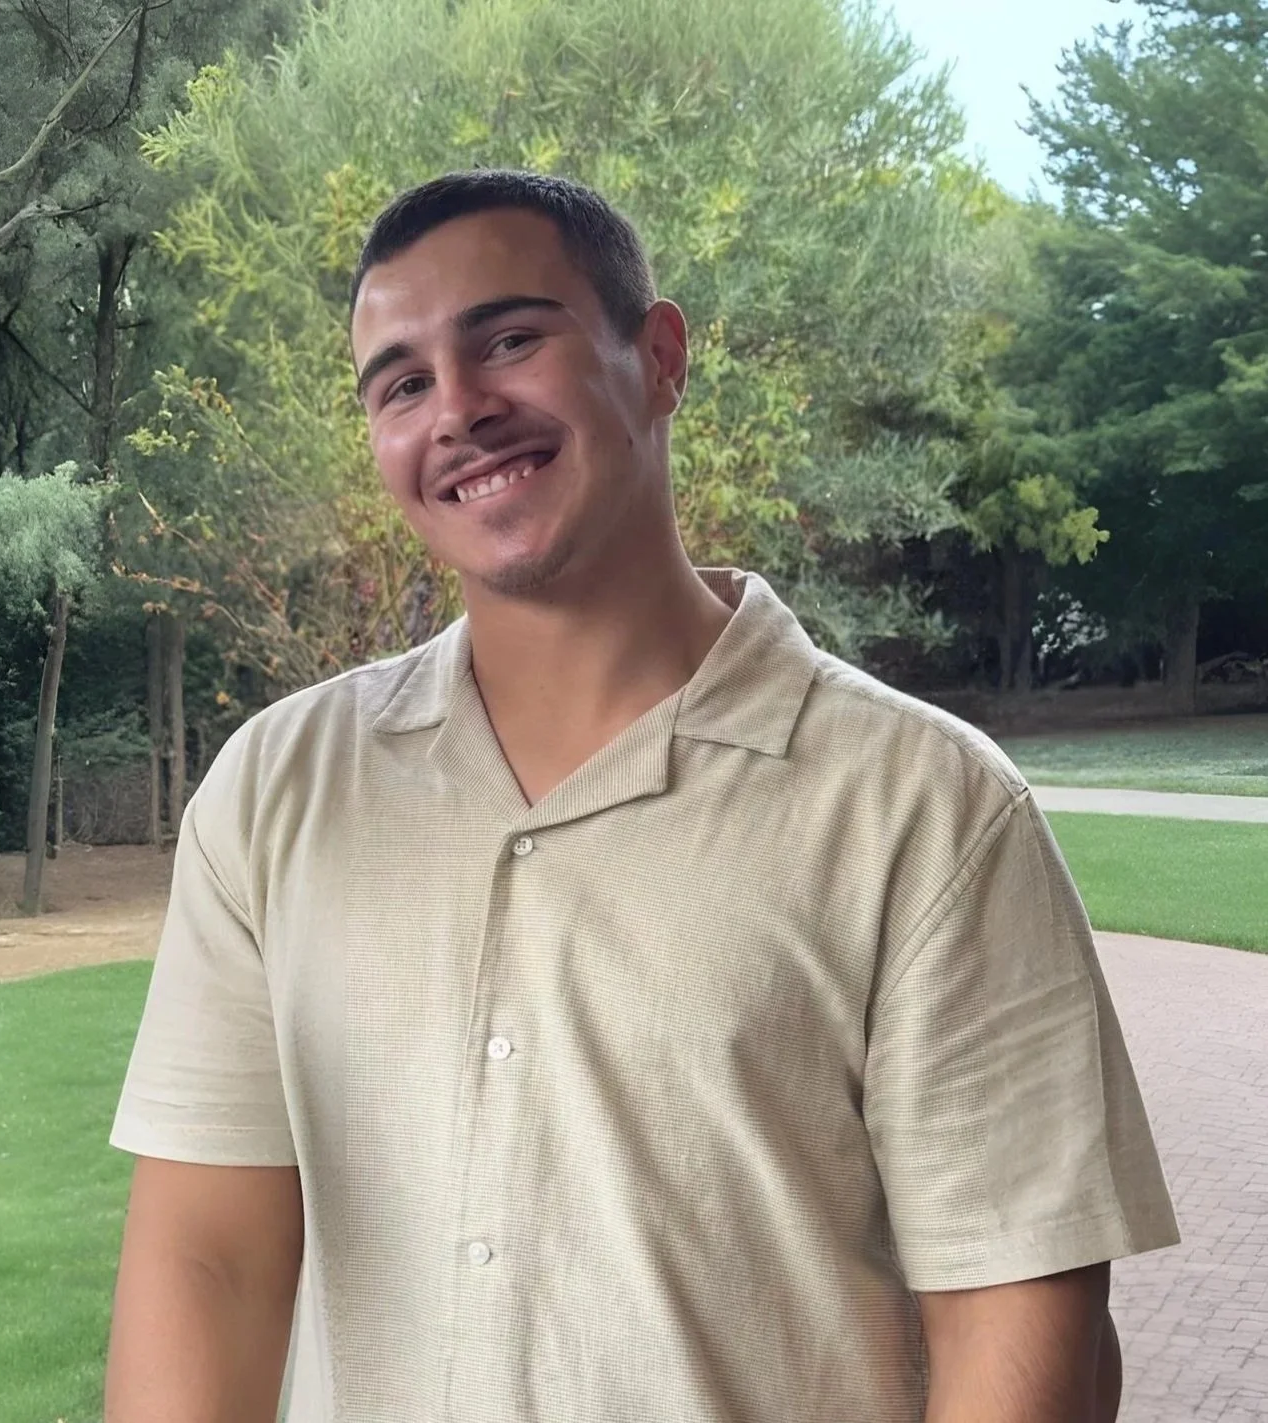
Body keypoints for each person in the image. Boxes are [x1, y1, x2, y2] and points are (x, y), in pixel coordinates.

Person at [104, 170, 1179, 1423]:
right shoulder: (275, 791)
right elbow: (209, 1261)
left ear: (657, 356)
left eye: (510, 338)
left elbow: (1017, 1318)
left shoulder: (924, 809)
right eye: (400, 383)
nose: (457, 408)